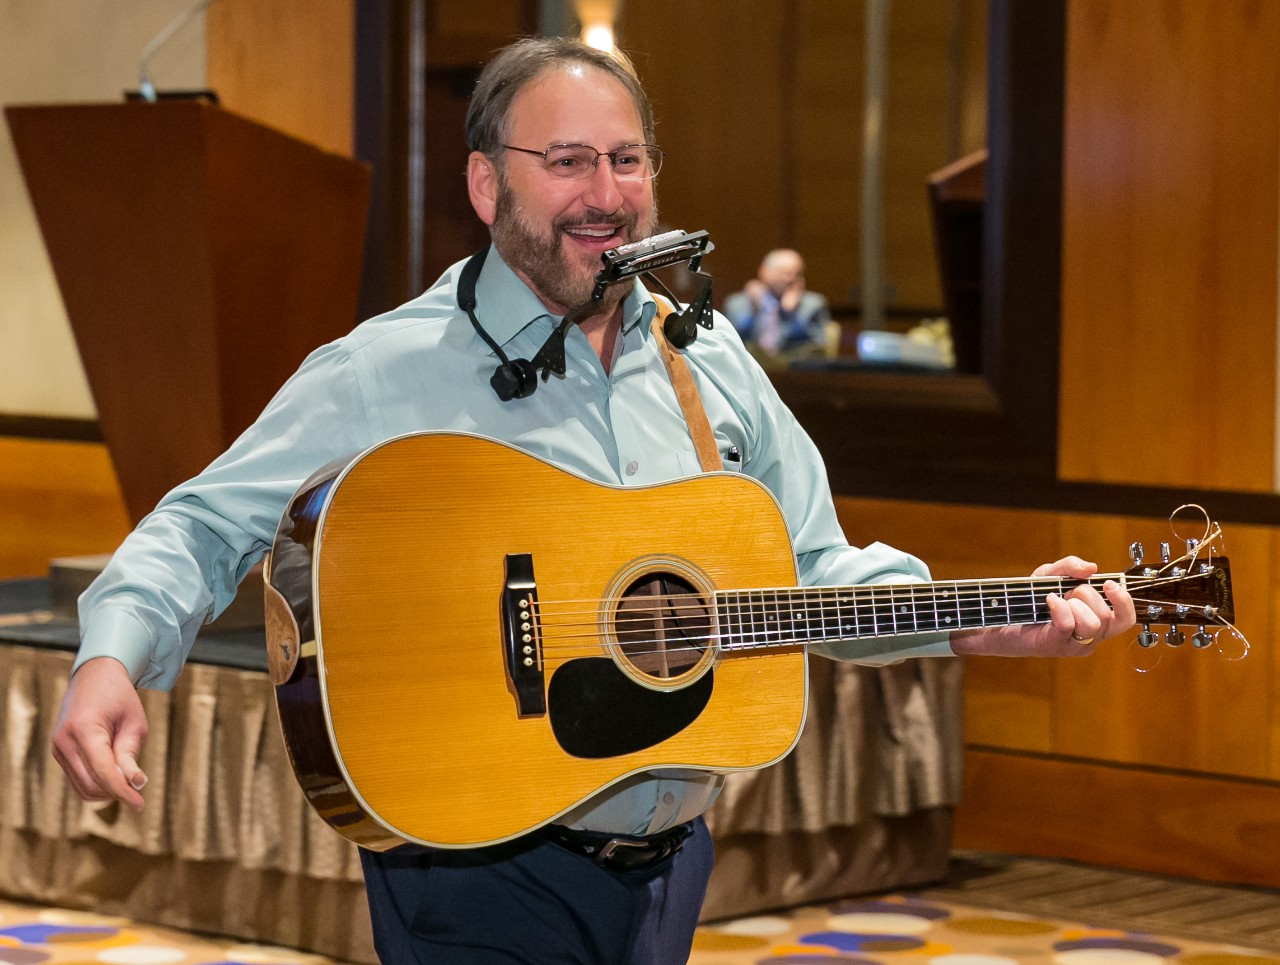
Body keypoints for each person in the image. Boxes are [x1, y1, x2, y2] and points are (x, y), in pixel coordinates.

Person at [51, 37, 1136, 965]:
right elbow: (200, 524)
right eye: (567, 162)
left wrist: (979, 616)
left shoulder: (705, 363)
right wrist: (113, 658)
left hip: (670, 866)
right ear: (487, 186)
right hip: (471, 864)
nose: (605, 195)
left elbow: (809, 573)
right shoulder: (381, 370)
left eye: (625, 161)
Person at [723, 248, 834, 358]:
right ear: (764, 271)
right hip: (749, 365)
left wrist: (790, 314)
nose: (790, 279)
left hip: (792, 370)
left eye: (797, 274)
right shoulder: (737, 303)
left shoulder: (813, 304)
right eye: (785, 273)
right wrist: (754, 310)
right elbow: (731, 339)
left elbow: (819, 347)